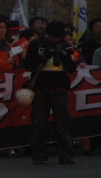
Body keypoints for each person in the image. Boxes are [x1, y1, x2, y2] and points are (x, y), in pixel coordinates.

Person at [24, 21, 79, 164]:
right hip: (40, 87)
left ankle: (66, 154)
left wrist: (64, 55)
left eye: (57, 37)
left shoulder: (66, 46)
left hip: (60, 87)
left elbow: (73, 67)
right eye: (51, 36)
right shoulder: (37, 44)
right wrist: (42, 56)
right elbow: (28, 65)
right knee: (39, 121)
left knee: (63, 122)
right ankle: (39, 154)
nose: (54, 39)